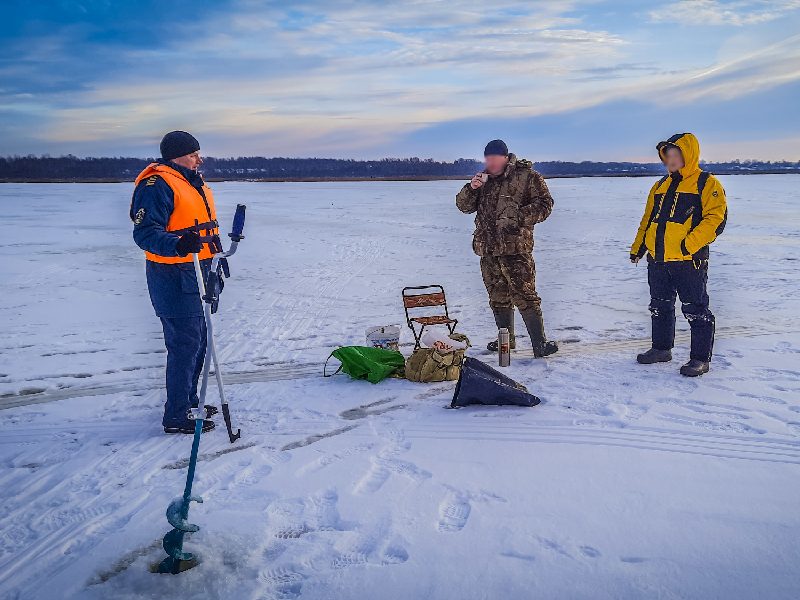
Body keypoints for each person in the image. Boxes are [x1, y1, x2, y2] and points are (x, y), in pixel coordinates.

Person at [130, 131, 221, 433]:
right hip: (173, 276)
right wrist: (178, 245)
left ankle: (190, 400)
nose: (200, 159)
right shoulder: (157, 185)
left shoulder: (191, 181)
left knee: (199, 342)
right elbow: (145, 233)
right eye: (195, 154)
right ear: (177, 156)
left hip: (200, 270)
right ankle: (177, 415)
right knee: (185, 345)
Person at [630, 133, 727, 377]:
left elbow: (715, 220)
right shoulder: (660, 185)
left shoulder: (706, 183)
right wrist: (639, 247)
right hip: (658, 258)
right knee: (659, 306)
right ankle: (662, 349)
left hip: (689, 260)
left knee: (696, 309)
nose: (671, 160)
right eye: (668, 156)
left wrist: (688, 245)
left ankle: (700, 359)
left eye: (676, 155)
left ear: (688, 155)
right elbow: (648, 219)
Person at [456, 139, 558, 357]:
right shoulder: (483, 179)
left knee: (525, 295)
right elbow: (463, 207)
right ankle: (506, 342)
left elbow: (545, 204)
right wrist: (471, 189)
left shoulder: (527, 176)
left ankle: (540, 344)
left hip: (516, 248)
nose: (489, 163)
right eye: (487, 158)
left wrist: (519, 217)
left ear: (505, 157)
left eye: (494, 158)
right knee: (498, 297)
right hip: (488, 250)